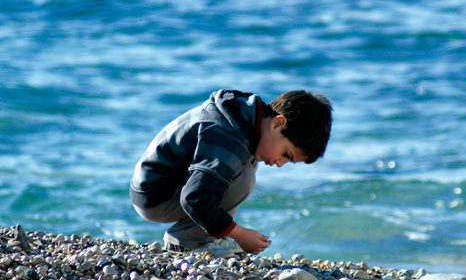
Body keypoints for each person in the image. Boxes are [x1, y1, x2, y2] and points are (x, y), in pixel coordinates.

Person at [130, 89, 332, 256]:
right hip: (155, 195)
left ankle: (206, 236)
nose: (280, 164)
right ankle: (186, 242)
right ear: (277, 123)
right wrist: (239, 234)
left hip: (162, 185)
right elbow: (195, 198)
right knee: (244, 176)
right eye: (286, 154)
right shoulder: (229, 136)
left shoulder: (243, 117)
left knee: (246, 162)